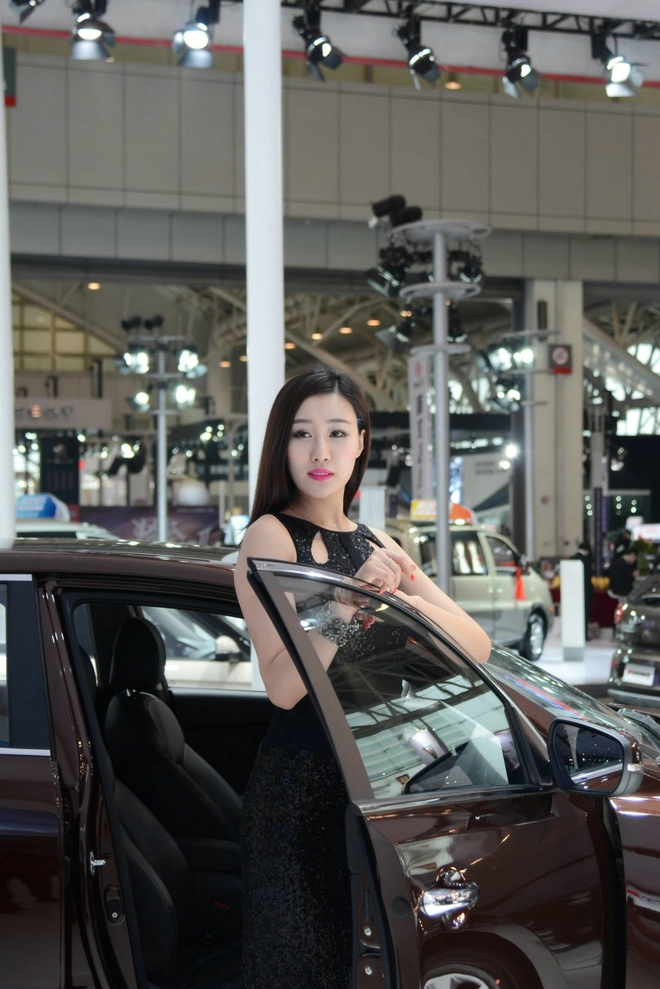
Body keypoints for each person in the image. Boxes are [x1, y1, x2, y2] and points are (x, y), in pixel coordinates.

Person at [235, 366, 491, 989]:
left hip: (379, 780)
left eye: (337, 432)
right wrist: (350, 604)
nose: (320, 452)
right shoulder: (270, 537)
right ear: (282, 446)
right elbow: (285, 686)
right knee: (305, 967)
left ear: (360, 443)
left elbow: (476, 644)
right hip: (302, 791)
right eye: (302, 433)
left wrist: (394, 597)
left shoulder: (378, 542)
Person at [570, 540, 594, 639]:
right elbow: (588, 576)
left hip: (572, 592)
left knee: (574, 614)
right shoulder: (586, 560)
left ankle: (573, 634)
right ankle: (584, 635)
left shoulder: (571, 559)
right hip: (585, 591)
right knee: (584, 614)